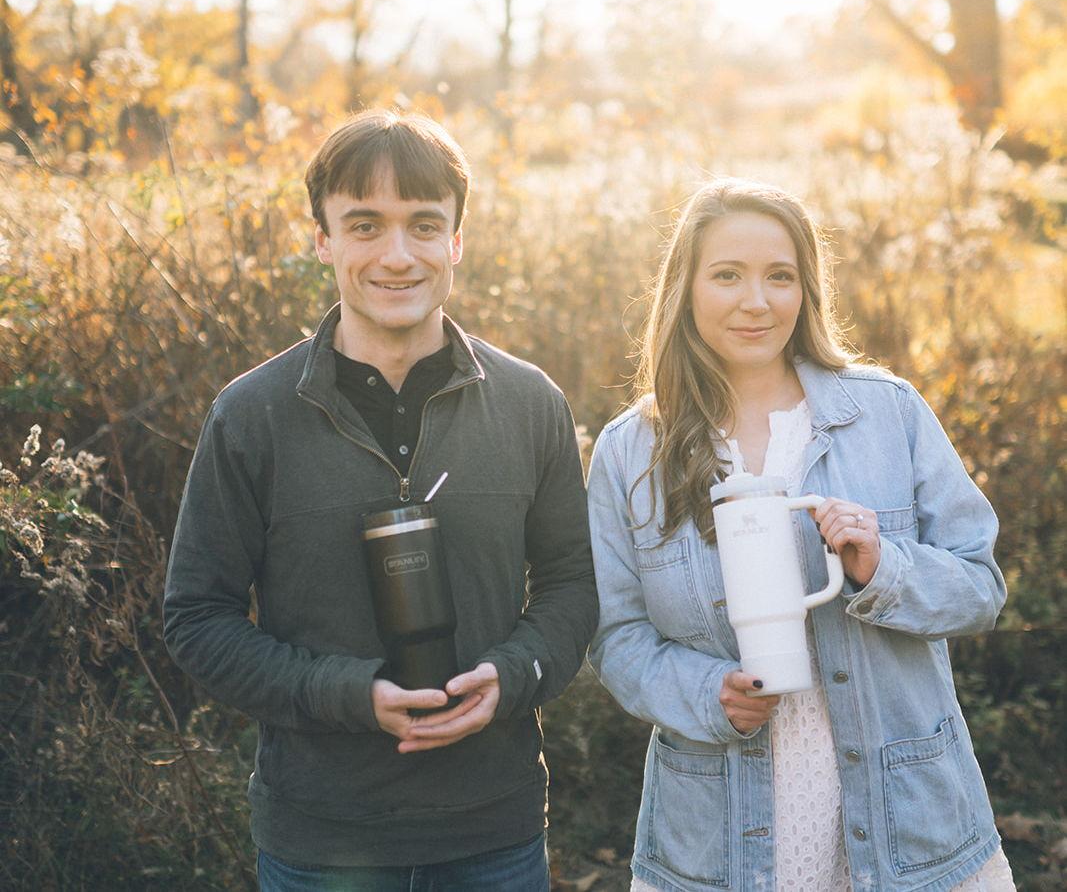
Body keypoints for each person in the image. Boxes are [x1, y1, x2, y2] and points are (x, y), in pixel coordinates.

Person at [163, 109, 597, 891]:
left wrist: (512, 672)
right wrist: (347, 693)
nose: (396, 255)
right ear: (322, 239)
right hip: (320, 840)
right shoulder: (251, 414)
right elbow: (197, 617)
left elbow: (573, 586)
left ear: (456, 241)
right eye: (364, 224)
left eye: (423, 225)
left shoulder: (531, 403)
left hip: (492, 832)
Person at [587, 180, 1015, 892]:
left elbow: (980, 586)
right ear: (686, 288)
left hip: (912, 831)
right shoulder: (630, 451)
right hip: (715, 843)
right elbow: (614, 632)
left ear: (805, 289)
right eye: (727, 274)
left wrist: (884, 566)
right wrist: (703, 693)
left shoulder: (887, 413)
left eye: (778, 276)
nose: (755, 300)